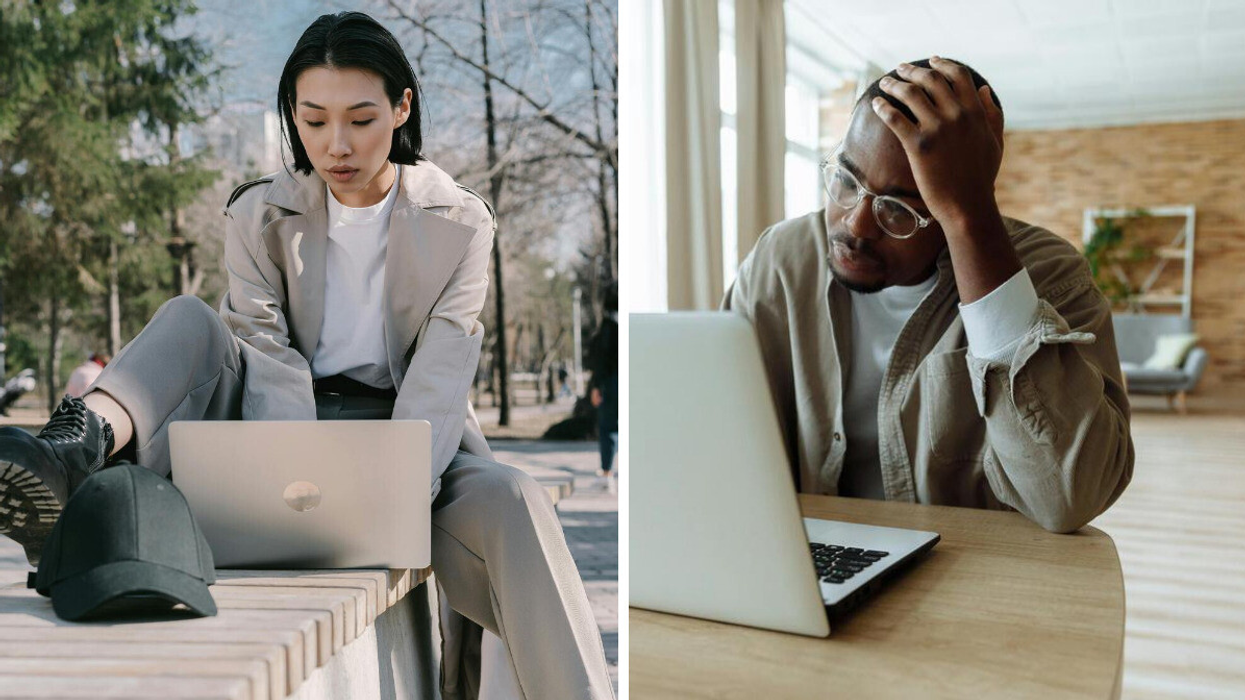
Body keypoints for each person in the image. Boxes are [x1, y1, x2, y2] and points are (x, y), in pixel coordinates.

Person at [0, 12, 612, 699]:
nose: (335, 143)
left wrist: (398, 490)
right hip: (270, 421)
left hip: (409, 439)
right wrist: (291, 475)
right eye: (313, 120)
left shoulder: (460, 221)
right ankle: (67, 451)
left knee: (515, 496)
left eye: (360, 118)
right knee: (190, 319)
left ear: (401, 108)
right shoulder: (256, 214)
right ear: (291, 115)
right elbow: (264, 350)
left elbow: (441, 372)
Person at [723, 57, 1134, 534]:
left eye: (898, 209)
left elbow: (1071, 497)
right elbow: (716, 426)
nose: (855, 224)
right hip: (803, 556)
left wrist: (972, 220)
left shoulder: (1049, 274)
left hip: (974, 576)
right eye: (845, 180)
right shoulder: (782, 259)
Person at [588, 286, 619, 483]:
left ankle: (607, 471)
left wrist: (596, 386)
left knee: (608, 427)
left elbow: (602, 359)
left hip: (611, 381)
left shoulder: (608, 326)